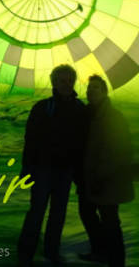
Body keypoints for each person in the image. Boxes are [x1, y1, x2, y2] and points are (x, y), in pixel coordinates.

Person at [17, 65, 87, 266]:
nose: (67, 84)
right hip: (42, 169)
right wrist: (27, 168)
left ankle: (51, 251)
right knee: (37, 211)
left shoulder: (79, 109)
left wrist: (79, 173)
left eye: (70, 80)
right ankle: (26, 254)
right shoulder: (42, 107)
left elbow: (82, 142)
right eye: (62, 81)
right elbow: (30, 139)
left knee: (58, 213)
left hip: (65, 171)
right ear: (54, 82)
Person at [77, 75, 133, 267]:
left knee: (110, 221)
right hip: (88, 178)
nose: (91, 91)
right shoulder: (86, 114)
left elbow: (120, 149)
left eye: (96, 88)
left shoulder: (113, 117)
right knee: (87, 213)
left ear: (104, 92)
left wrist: (104, 174)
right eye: (89, 88)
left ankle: (117, 261)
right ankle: (100, 251)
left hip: (108, 180)